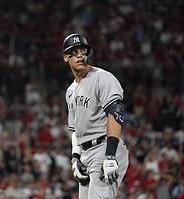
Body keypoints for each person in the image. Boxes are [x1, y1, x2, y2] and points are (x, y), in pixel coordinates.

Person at [63, 33, 129, 198]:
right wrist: (75, 157)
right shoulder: (71, 91)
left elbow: (116, 114)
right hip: (86, 155)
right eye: (74, 52)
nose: (79, 55)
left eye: (82, 51)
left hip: (104, 148)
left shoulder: (103, 78)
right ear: (66, 57)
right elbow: (75, 130)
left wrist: (110, 155)